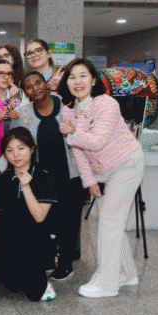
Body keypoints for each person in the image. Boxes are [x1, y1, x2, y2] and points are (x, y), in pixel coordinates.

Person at [58, 58, 144, 298]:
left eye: (83, 75)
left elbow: (96, 142)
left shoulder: (107, 104)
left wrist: (73, 131)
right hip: (104, 170)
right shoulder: (68, 110)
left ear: (93, 80)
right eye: (72, 77)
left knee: (109, 219)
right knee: (102, 218)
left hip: (127, 164)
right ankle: (127, 273)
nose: (77, 82)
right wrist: (90, 181)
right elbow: (78, 151)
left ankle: (107, 283)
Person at [14, 71, 84, 280]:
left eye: (38, 82)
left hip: (70, 174)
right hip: (43, 178)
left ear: (46, 83)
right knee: (47, 220)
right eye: (29, 86)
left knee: (69, 221)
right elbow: (19, 143)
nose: (35, 88)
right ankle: (48, 258)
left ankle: (65, 263)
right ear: (25, 92)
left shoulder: (67, 104)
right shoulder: (23, 113)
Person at [0, 127, 58, 302]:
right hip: (10, 239)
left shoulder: (45, 176)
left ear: (32, 149)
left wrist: (26, 186)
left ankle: (42, 270)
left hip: (36, 239)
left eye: (21, 148)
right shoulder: (2, 180)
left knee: (35, 294)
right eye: (9, 150)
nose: (15, 155)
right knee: (11, 285)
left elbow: (39, 217)